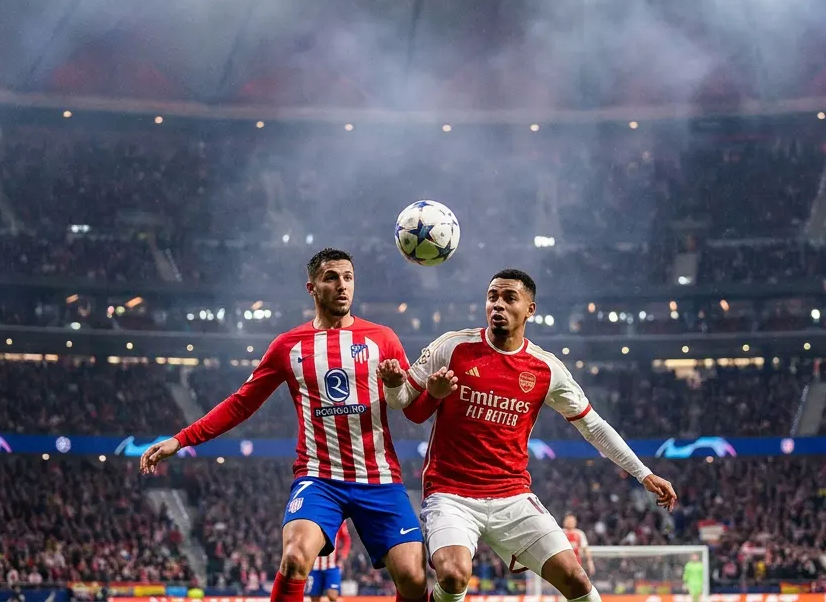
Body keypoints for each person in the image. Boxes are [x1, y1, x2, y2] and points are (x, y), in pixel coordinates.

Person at [139, 249, 429, 602]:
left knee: (414, 578)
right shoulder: (288, 346)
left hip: (379, 478)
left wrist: (407, 387)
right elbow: (241, 403)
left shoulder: (383, 338)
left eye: (348, 277)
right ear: (312, 287)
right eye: (331, 277)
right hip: (320, 478)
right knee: (294, 559)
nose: (342, 285)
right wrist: (181, 439)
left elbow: (412, 408)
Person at [380, 269, 677, 602]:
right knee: (453, 575)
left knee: (577, 579)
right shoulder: (453, 346)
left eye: (510, 298)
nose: (498, 305)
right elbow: (403, 402)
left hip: (513, 496)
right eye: (492, 297)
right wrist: (396, 386)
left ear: (530, 309)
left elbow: (593, 426)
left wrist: (643, 473)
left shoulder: (545, 368)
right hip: (451, 494)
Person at [308, 521, 350, 602]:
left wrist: (343, 554)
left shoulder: (338, 519)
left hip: (332, 565)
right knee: (314, 597)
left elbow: (346, 539)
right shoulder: (311, 518)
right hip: (314, 566)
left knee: (332, 595)